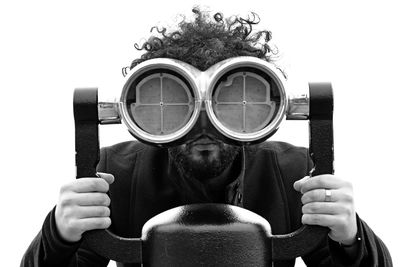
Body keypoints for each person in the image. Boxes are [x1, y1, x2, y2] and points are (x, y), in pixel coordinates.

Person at [21, 8, 392, 267]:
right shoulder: (114, 173)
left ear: (268, 109)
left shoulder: (293, 173)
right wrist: (60, 233)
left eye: (229, 106)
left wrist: (349, 235)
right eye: (178, 106)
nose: (204, 128)